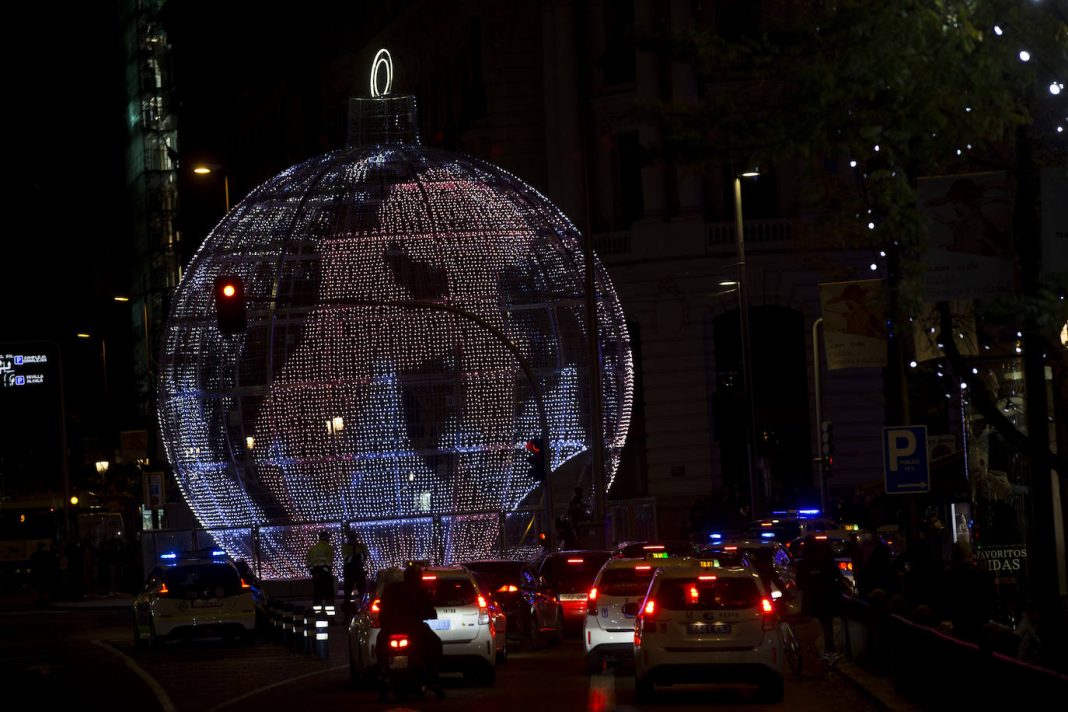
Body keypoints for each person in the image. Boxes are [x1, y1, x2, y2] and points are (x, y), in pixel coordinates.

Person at [378, 564, 444, 698]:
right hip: (413, 628)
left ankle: (382, 673)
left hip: (393, 629)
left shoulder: (391, 590)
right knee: (435, 643)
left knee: (380, 644)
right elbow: (428, 609)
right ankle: (433, 679)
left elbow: (382, 610)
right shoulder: (418, 590)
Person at [797, 534, 846, 665]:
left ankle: (828, 649)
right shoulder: (825, 558)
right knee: (827, 622)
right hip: (828, 594)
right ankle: (831, 649)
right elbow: (836, 574)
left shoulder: (805, 561)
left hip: (816, 597)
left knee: (824, 623)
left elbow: (800, 583)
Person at [939, 541, 995, 644]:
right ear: (970, 555)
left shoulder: (947, 576)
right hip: (979, 627)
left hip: (957, 629)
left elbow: (945, 603)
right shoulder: (981, 574)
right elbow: (989, 601)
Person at [304, 530, 336, 608]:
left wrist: (314, 572)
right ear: (327, 538)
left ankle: (316, 615)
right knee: (329, 597)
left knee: (317, 596)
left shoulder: (313, 548)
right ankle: (330, 618)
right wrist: (323, 572)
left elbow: (308, 563)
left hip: (316, 575)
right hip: (326, 576)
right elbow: (329, 562)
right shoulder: (329, 548)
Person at [341, 531, 370, 607]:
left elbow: (364, 556)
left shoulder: (361, 546)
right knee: (347, 593)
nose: (352, 539)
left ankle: (364, 608)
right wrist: (358, 556)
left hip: (357, 571)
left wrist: (352, 557)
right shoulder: (345, 546)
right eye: (351, 537)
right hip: (350, 571)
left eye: (353, 537)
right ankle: (347, 612)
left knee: (362, 592)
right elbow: (346, 558)